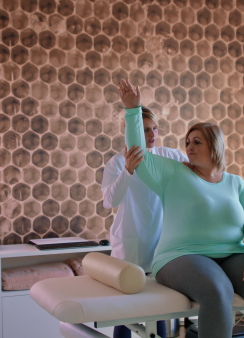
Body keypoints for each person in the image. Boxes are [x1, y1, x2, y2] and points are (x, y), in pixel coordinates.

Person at [118, 79, 244, 338]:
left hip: (232, 253)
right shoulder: (174, 173)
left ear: (215, 145)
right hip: (179, 256)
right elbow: (137, 153)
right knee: (217, 290)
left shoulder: (236, 183)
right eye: (187, 142)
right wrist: (133, 110)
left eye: (196, 142)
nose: (189, 147)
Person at [101, 105, 187, 338]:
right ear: (132, 132)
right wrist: (127, 170)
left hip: (162, 244)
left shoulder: (172, 156)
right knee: (126, 313)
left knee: (158, 308)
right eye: (146, 130)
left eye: (155, 129)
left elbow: (194, 181)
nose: (152, 135)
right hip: (131, 244)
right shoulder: (117, 163)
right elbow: (109, 201)